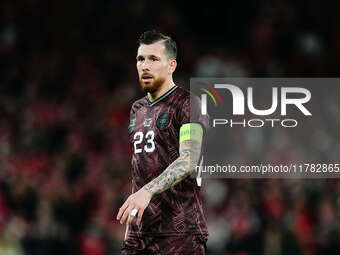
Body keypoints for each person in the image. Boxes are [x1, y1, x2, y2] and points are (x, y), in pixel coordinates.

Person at [116, 30, 209, 255]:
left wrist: (146, 192)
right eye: (141, 59)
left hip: (179, 234)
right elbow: (140, 167)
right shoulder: (136, 109)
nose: (145, 66)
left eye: (153, 59)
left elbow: (189, 159)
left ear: (171, 66)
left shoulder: (188, 103)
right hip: (140, 234)